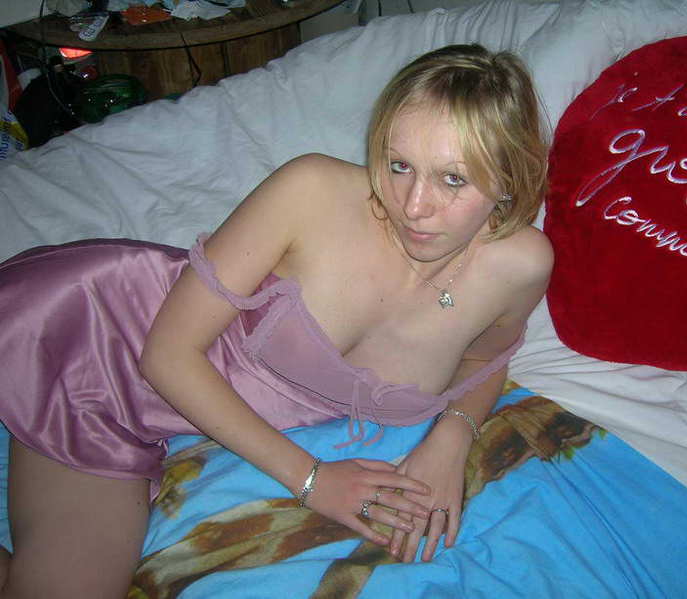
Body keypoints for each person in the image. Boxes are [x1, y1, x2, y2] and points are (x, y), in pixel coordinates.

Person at [0, 43, 552, 598]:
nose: (413, 205)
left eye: (453, 179)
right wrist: (312, 479)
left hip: (153, 418)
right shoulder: (309, 188)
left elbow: (484, 357)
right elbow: (165, 355)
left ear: (508, 180)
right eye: (398, 165)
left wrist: (451, 438)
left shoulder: (520, 266)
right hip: (95, 345)